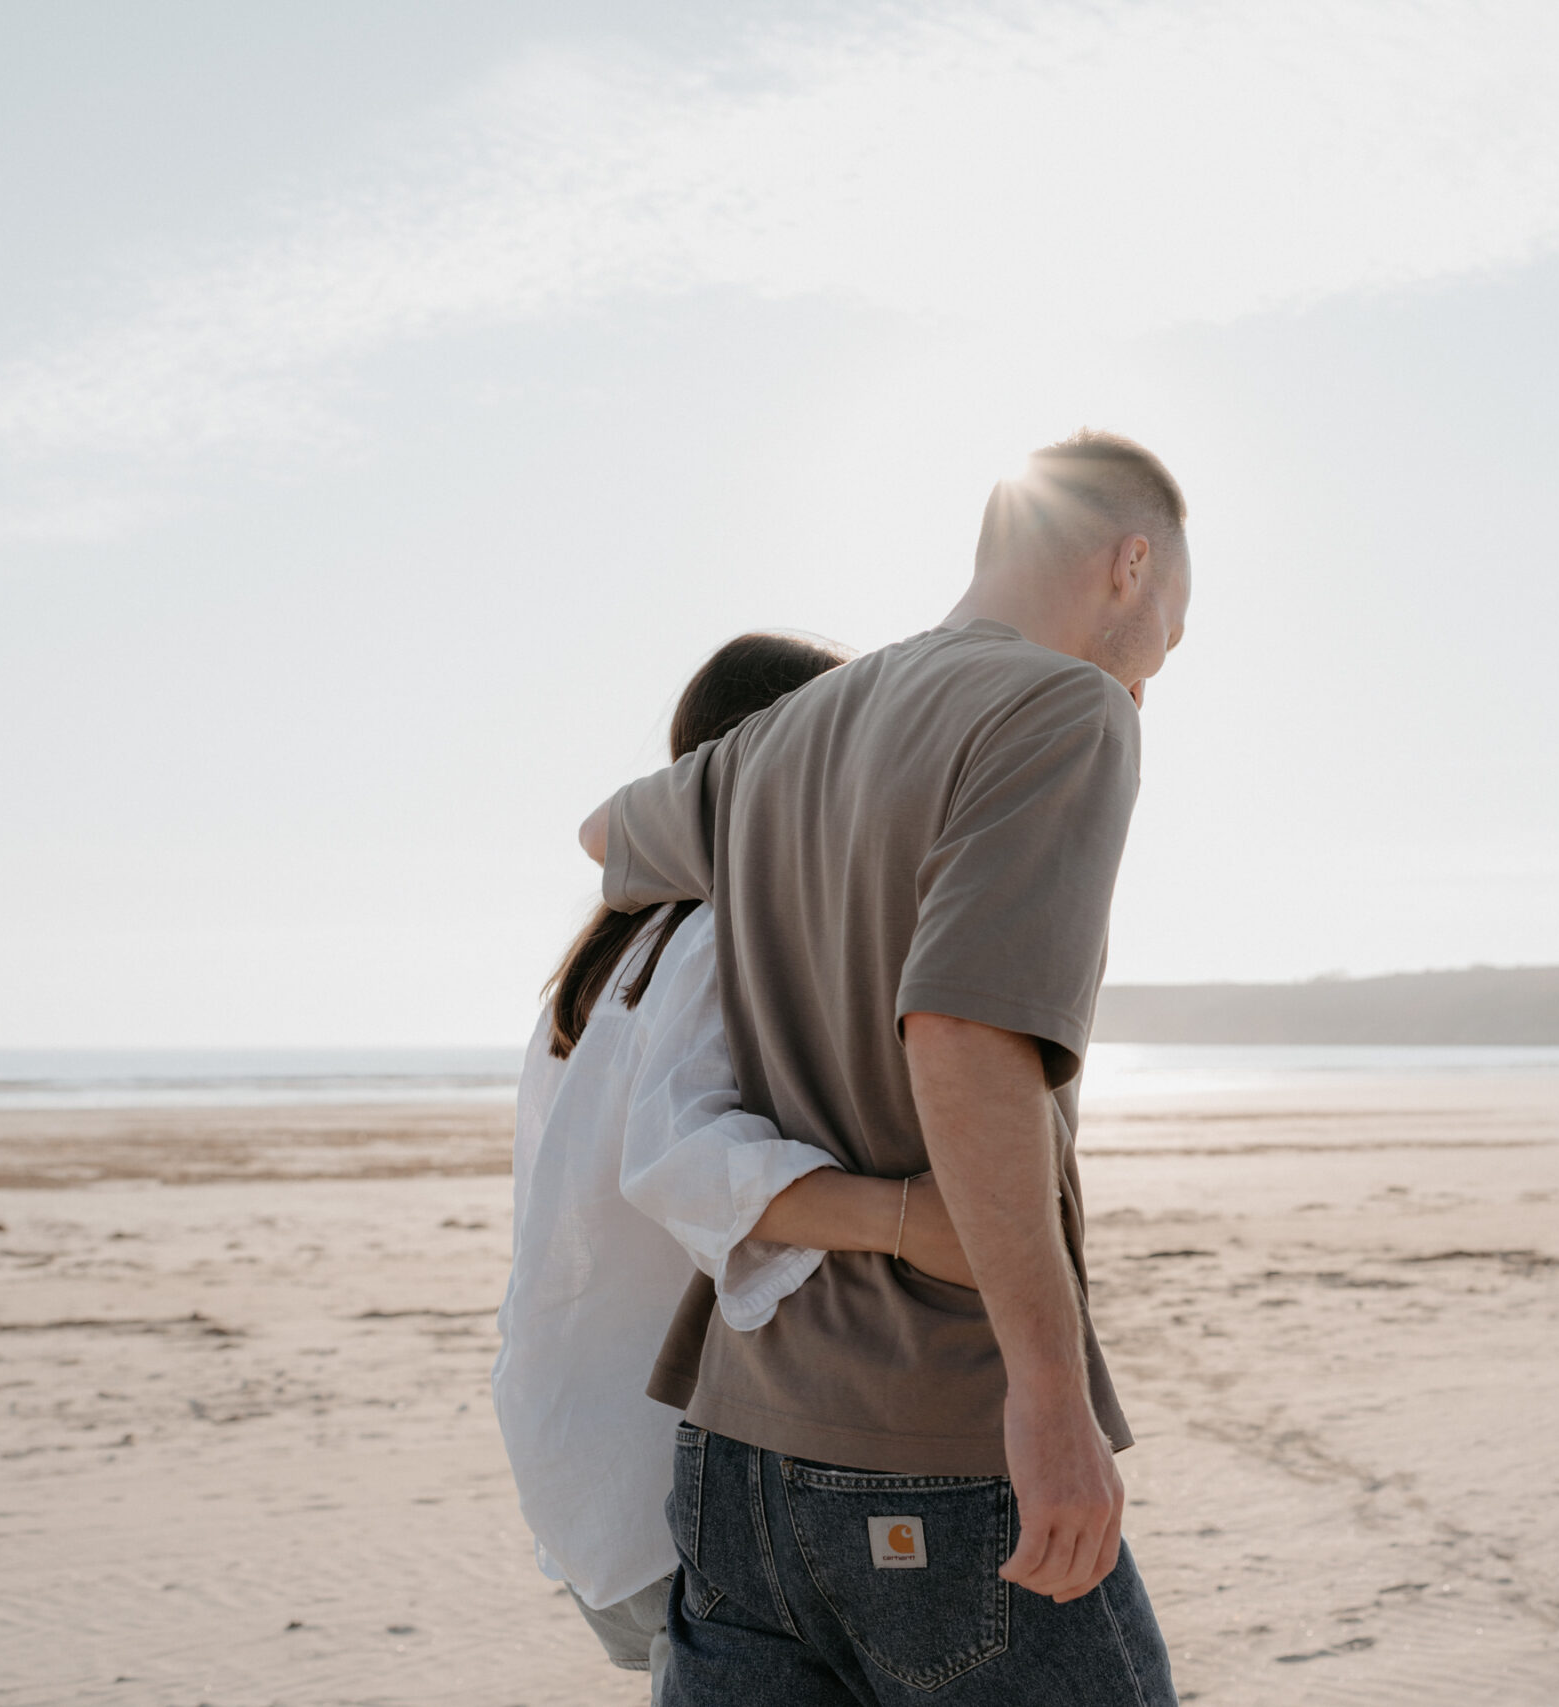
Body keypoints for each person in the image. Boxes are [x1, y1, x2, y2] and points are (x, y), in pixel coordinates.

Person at [580, 430, 1192, 1705]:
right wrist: (1047, 1389)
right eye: (1172, 626)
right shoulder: (1060, 705)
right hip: (938, 1436)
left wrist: (799, 846)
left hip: (739, 1452)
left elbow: (606, 833)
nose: (1159, 668)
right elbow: (962, 1034)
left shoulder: (785, 733)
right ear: (1130, 564)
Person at [494, 632, 975, 1698]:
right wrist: (907, 1219)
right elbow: (681, 1161)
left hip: (577, 1443)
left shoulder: (610, 952)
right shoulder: (722, 934)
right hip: (654, 1470)